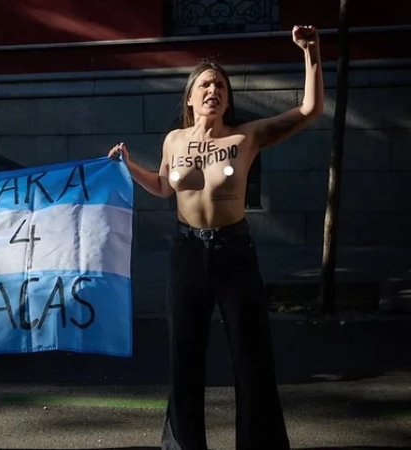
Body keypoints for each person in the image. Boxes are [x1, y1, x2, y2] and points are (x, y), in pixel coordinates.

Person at [109, 26, 323, 450]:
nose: (214, 89)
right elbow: (164, 188)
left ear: (227, 99)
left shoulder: (246, 137)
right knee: (184, 357)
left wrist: (311, 52)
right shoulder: (174, 140)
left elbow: (310, 109)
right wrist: (129, 167)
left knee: (250, 356)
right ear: (190, 98)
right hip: (186, 252)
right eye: (205, 84)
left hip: (233, 251)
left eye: (221, 85)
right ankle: (183, 446)